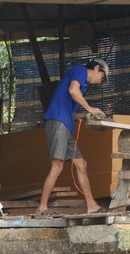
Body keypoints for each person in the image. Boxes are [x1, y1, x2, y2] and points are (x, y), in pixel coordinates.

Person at [36, 59, 109, 215]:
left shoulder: (81, 89)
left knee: (81, 164)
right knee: (57, 166)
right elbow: (72, 91)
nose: (98, 82)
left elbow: (73, 112)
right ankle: (42, 207)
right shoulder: (80, 70)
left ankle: (92, 206)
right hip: (58, 122)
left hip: (66, 124)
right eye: (101, 77)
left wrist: (87, 114)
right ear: (97, 68)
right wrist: (90, 108)